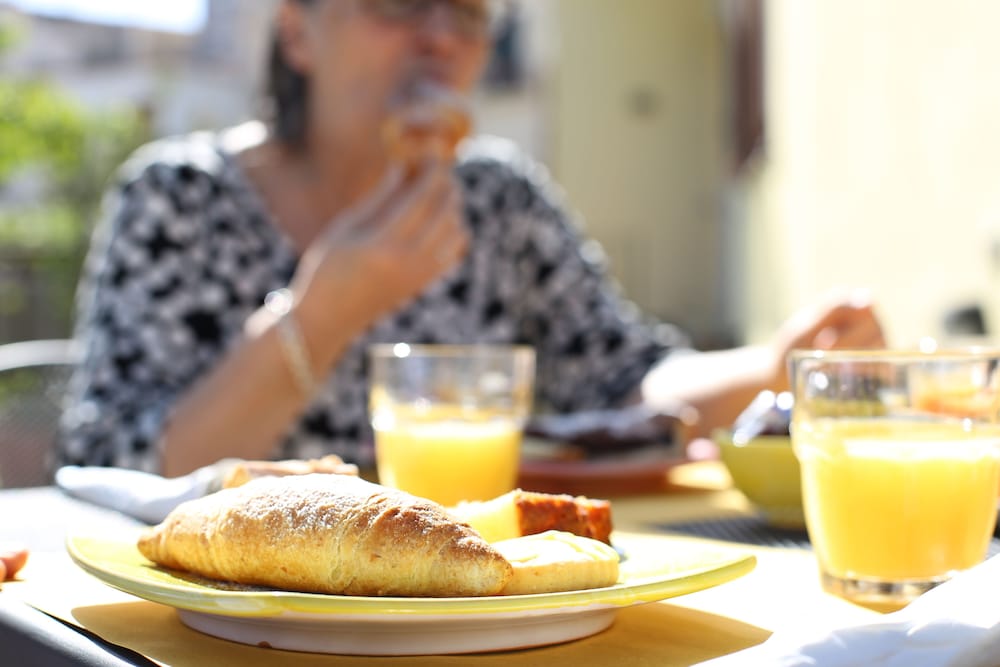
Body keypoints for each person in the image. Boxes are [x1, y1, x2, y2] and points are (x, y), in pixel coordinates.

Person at [58, 0, 883, 478]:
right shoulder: (178, 199)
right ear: (298, 33)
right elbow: (115, 469)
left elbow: (623, 378)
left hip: (462, 607)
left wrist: (779, 365)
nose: (441, 37)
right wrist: (322, 315)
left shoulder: (497, 197)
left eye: (469, 11)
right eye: (399, 3)